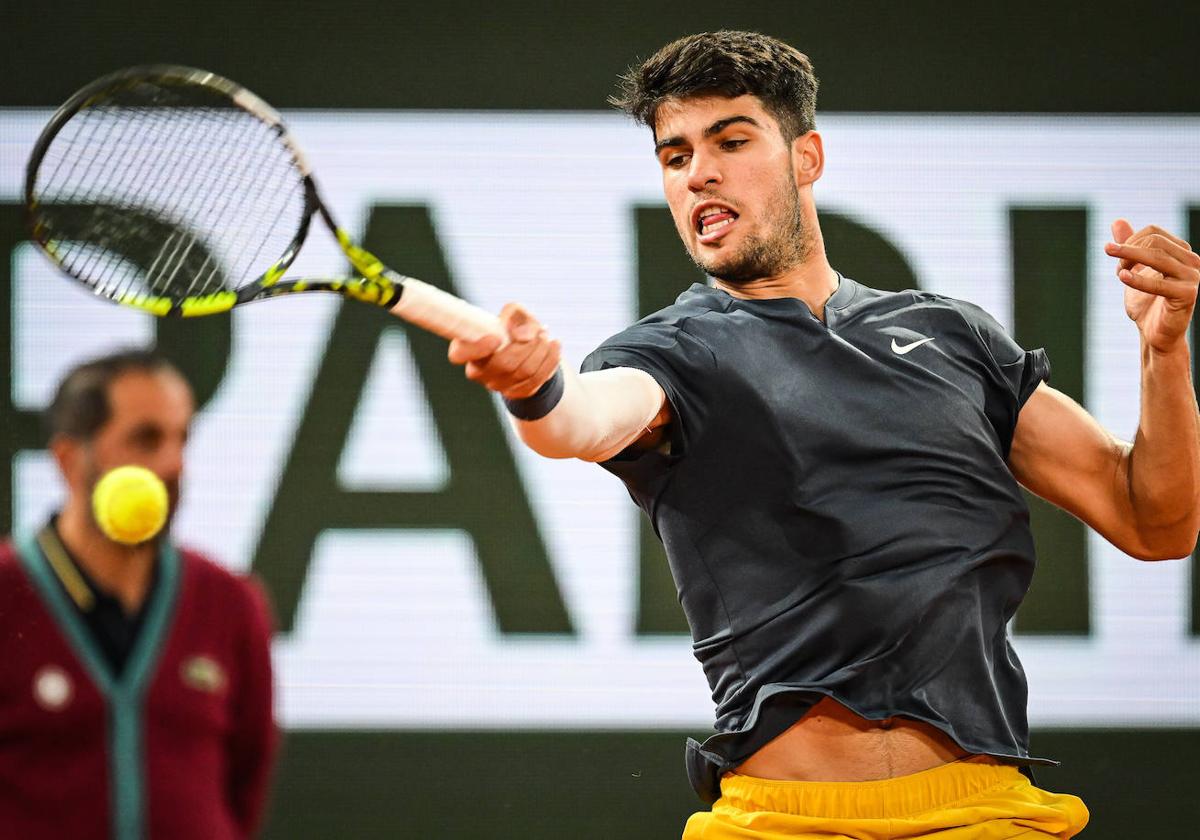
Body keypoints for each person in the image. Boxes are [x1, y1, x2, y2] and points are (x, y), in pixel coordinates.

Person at [446, 30, 1200, 840]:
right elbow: (578, 421)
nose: (700, 172)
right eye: (675, 156)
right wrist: (535, 389)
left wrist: (1164, 352)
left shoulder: (953, 339)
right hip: (777, 822)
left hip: (987, 813)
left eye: (732, 141)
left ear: (807, 157)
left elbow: (1153, 521)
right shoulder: (669, 353)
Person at [0, 349, 279, 840]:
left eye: (182, 440)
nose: (173, 465)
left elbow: (246, 781)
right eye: (146, 439)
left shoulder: (233, 602)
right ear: (69, 460)